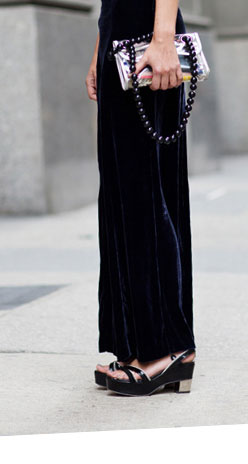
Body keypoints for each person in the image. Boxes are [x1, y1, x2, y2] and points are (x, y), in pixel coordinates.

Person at [85, 0, 196, 396]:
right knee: (126, 193)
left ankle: (164, 349)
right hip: (121, 33)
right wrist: (100, 47)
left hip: (146, 35)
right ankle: (139, 346)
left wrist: (163, 38)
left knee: (145, 195)